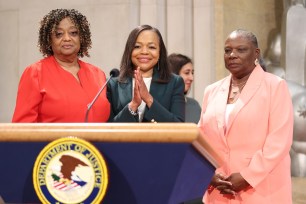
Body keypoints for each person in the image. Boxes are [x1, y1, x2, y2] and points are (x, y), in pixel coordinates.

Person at [198, 29, 293, 203]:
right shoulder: (211, 91)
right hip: (219, 190)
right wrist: (208, 174)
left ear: (256, 53)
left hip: (261, 190)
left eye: (241, 50)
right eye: (228, 50)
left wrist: (246, 176)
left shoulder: (275, 86)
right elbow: (200, 139)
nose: (232, 55)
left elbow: (279, 142)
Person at [12, 9, 110, 122]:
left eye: (73, 33)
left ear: (82, 37)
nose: (67, 38)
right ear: (49, 40)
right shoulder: (35, 73)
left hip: (98, 140)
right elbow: (22, 128)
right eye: (59, 34)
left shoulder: (98, 74)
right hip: (54, 140)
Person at [107, 25, 185, 122]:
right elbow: (108, 130)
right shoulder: (113, 84)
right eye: (137, 46)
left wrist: (148, 99)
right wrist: (133, 105)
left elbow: (179, 126)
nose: (144, 52)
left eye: (151, 47)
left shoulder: (174, 83)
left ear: (160, 53)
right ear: (129, 51)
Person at [168, 53, 201, 123]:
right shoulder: (159, 105)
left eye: (192, 73)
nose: (192, 78)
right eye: (187, 73)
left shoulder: (194, 105)